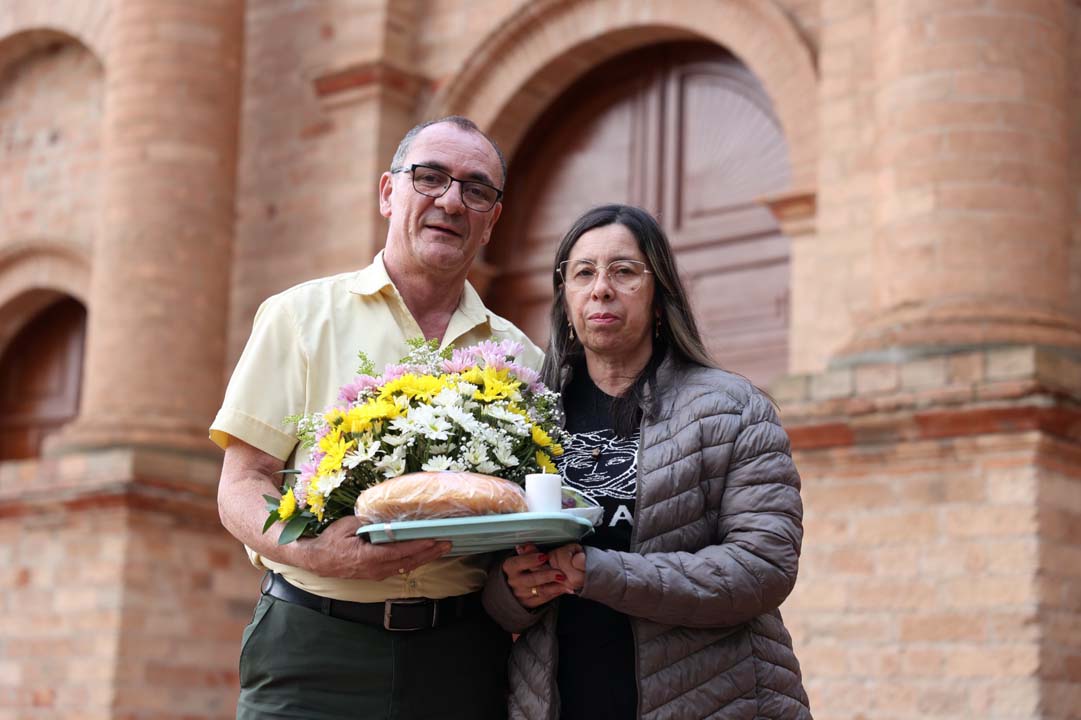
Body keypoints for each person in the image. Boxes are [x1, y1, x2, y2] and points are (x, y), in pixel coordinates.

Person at [210, 116, 542, 720]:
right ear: (388, 192)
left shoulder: (521, 355)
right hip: (313, 643)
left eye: (476, 189)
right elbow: (240, 483)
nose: (451, 200)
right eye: (431, 177)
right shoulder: (299, 317)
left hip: (464, 655)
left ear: (492, 220)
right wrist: (316, 552)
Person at [482, 204, 812, 720]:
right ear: (565, 297)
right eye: (584, 273)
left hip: (717, 700)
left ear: (660, 296)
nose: (602, 289)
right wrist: (513, 591)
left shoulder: (732, 408)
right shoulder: (524, 418)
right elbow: (483, 583)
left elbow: (763, 568)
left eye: (624, 271)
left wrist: (598, 571)